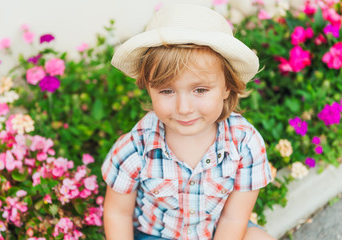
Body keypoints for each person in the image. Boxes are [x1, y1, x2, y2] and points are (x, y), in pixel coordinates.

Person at [102, 3, 275, 240]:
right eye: (166, 91)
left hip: (220, 230)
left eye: (200, 90)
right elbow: (117, 213)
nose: (184, 109)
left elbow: (234, 218)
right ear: (149, 89)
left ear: (227, 87)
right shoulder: (135, 148)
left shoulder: (245, 143)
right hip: (158, 235)